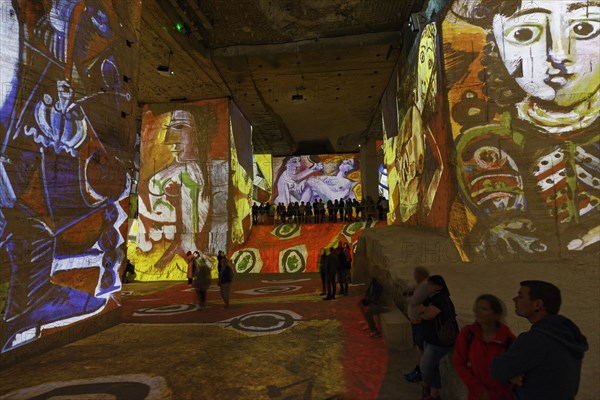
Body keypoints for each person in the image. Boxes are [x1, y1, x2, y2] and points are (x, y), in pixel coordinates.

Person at [491, 281, 588, 400]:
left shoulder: (535, 340)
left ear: (537, 304)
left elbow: (498, 370)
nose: (514, 299)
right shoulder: (568, 336)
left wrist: (512, 374)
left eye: (520, 296)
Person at [453, 294, 516, 400]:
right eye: (477, 308)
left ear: (496, 314)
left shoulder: (508, 340)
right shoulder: (468, 334)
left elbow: (514, 372)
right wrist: (478, 389)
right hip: (476, 396)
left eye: (484, 309)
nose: (478, 312)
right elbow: (459, 363)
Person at [415, 275, 459, 400]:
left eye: (431, 284)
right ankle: (434, 395)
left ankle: (426, 386)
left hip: (439, 341)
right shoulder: (430, 298)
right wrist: (424, 310)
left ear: (439, 286)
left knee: (425, 367)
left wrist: (423, 310)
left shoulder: (441, 299)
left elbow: (427, 315)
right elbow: (418, 310)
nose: (428, 286)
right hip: (430, 338)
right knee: (432, 367)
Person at [404, 266, 430, 383]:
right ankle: (419, 370)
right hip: (416, 322)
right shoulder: (421, 285)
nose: (414, 277)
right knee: (419, 348)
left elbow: (414, 300)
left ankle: (421, 372)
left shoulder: (424, 286)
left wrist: (408, 297)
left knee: (420, 349)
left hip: (420, 323)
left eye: (416, 275)